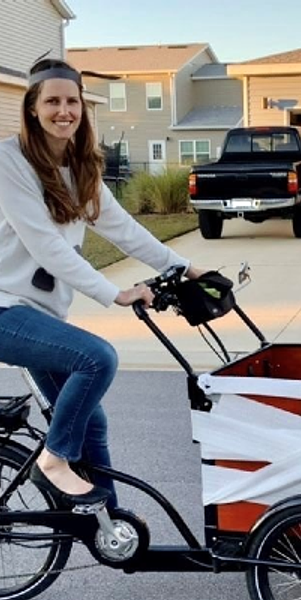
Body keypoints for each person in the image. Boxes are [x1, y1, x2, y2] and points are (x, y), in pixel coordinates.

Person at [0, 58, 207, 509]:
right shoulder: (9, 161)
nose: (64, 111)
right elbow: (45, 246)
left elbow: (124, 230)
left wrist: (189, 270)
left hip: (39, 315)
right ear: (33, 107)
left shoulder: (80, 166)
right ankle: (53, 461)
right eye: (52, 101)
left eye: (72, 101)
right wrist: (115, 293)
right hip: (5, 311)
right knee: (97, 358)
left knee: (90, 424)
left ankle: (110, 531)